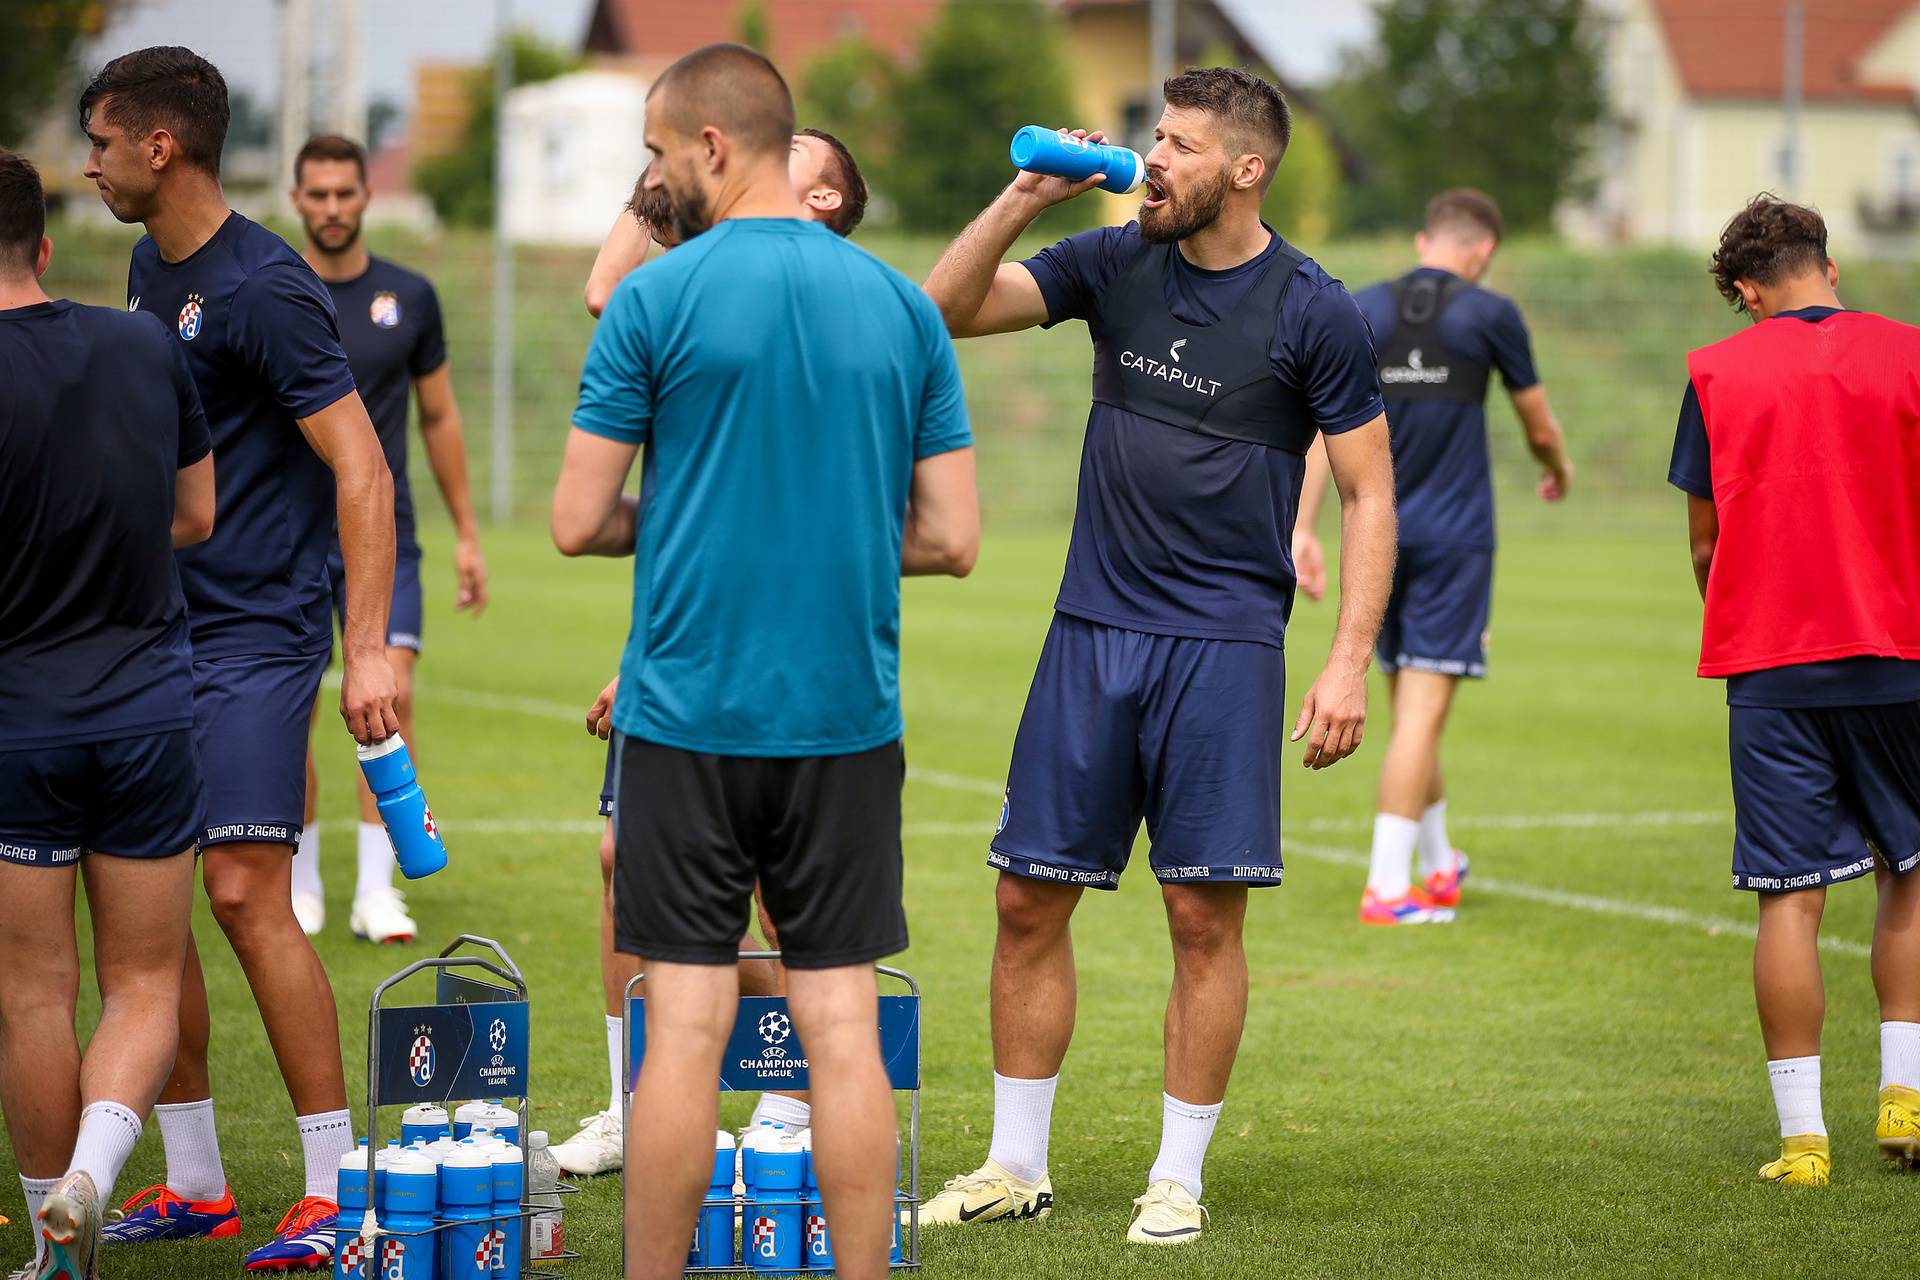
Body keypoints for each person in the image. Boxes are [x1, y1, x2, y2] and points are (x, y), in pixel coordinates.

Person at [919, 66, 1396, 1244]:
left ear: (1246, 168)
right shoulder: (1114, 255)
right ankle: (1013, 1162)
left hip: (1225, 648)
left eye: (1178, 144)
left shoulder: (1313, 307)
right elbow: (941, 311)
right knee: (1027, 898)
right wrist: (1025, 196)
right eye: (1154, 137)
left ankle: (1175, 1176)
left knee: (1201, 918)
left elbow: (1372, 497)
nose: (1152, 159)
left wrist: (1345, 663)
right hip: (1091, 630)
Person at [550, 44, 976, 1280]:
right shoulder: (901, 304)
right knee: (841, 1023)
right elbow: (952, 537)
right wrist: (822, 522)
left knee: (679, 1027)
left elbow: (579, 519)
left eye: (658, 153)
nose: (653, 177)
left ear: (715, 146)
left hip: (685, 715)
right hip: (846, 716)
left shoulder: (653, 298)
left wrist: (691, 512)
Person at [80, 47, 399, 1270]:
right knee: (143, 918)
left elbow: (361, 469)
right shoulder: (147, 267)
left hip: (258, 634)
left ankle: (335, 1187)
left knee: (243, 892)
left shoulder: (265, 285)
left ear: (161, 146)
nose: (92, 160)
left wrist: (363, 649)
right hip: (152, 632)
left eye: (104, 139)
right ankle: (200, 1181)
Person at [556, 134, 872, 1179]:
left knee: (778, 882)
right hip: (686, 635)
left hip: (791, 647)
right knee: (621, 863)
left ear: (823, 197)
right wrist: (657, 189)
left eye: (794, 158)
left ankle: (789, 1096)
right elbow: (609, 291)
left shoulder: (835, 306)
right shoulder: (707, 283)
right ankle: (630, 1101)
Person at [1667, 194, 1920, 1187]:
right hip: (1901, 654)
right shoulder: (1909, 353)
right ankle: (1905, 1096)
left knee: (1791, 897)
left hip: (1772, 667)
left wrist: (1737, 608)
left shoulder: (1716, 370)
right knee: (1911, 870)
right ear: (1830, 266)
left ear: (1743, 288)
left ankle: (1804, 1141)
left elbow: (1703, 538)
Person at [0, 150, 212, 1280]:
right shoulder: (144, 342)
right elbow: (198, 513)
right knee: (145, 982)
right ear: (42, 243)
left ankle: (54, 1247)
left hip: (17, 722)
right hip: (145, 713)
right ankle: (96, 1167)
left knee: (34, 993)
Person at [1293, 188, 1574, 925]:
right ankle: (1388, 888)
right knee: (1421, 714)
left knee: (1409, 708)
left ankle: (1437, 863)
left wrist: (1304, 526)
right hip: (1454, 543)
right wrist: (1558, 467)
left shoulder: (1362, 308)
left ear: (1426, 241)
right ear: (1481, 253)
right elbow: (1538, 424)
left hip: (1374, 540)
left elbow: (1325, 427)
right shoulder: (1492, 314)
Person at [286, 132, 490, 945]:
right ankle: (301, 884)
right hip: (293, 535)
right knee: (290, 707)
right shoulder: (274, 290)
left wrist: (469, 533)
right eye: (318, 194)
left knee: (389, 701)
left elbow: (439, 416)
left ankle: (377, 891)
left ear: (367, 195)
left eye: (346, 192)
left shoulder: (411, 295)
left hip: (387, 535)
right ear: (298, 200)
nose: (333, 208)